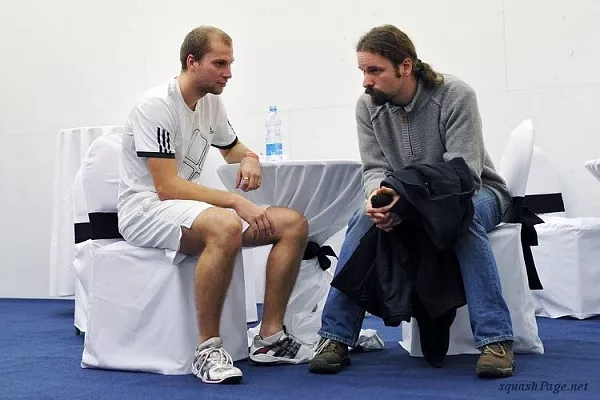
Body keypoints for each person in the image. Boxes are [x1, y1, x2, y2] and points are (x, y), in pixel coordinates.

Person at [309, 25, 515, 378]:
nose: (365, 81)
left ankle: (496, 340)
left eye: (374, 71)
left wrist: (406, 203)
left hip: (477, 194)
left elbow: (464, 172)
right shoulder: (367, 107)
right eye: (363, 72)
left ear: (405, 67)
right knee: (361, 220)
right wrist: (378, 200)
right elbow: (374, 168)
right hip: (408, 198)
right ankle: (335, 337)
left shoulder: (455, 95)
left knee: (463, 222)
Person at [117, 26, 312, 385]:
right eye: (219, 63)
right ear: (192, 62)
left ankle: (270, 338)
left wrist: (250, 156)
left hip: (183, 207)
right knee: (223, 225)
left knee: (292, 224)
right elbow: (166, 186)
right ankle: (207, 350)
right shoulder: (155, 106)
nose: (229, 73)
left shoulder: (211, 102)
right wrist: (236, 201)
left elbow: (232, 148)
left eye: (230, 63)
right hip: (144, 210)